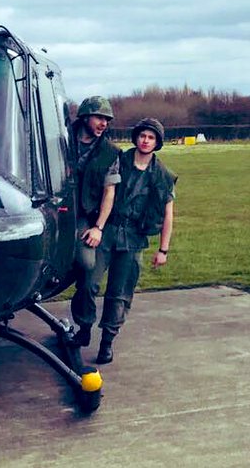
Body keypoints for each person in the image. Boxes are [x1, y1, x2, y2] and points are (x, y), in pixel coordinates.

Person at [87, 117, 176, 365]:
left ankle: (107, 342)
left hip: (134, 238)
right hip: (109, 231)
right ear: (136, 137)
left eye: (151, 138)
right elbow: (108, 192)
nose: (145, 141)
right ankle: (84, 327)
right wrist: (99, 227)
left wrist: (163, 250)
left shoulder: (163, 176)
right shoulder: (120, 161)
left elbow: (168, 213)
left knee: (120, 293)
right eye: (142, 136)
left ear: (157, 142)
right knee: (89, 282)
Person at [68, 96, 121, 348]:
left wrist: (98, 227)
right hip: (54, 210)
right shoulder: (58, 140)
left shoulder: (110, 152)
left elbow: (109, 193)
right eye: (100, 117)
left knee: (87, 265)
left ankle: (84, 324)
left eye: (107, 120)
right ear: (85, 116)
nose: (104, 124)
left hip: (85, 217)